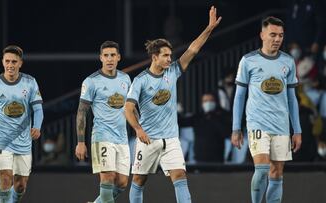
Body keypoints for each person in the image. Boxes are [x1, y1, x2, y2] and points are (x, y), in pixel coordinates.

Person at [125, 6, 221, 203]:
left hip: (171, 139)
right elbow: (128, 109)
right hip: (148, 140)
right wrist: (138, 129)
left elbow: (193, 49)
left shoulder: (172, 72)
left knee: (180, 176)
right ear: (154, 57)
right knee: (138, 180)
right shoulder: (141, 80)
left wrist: (209, 28)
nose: (170, 58)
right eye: (166, 55)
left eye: (170, 55)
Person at [231, 16, 302, 203]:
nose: (277, 39)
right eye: (273, 34)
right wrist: (236, 128)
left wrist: (298, 130)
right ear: (262, 35)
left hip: (281, 125)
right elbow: (239, 97)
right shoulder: (248, 61)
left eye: (280, 35)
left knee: (276, 173)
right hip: (257, 124)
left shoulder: (288, 62)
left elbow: (292, 99)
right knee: (262, 169)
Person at [0, 45, 44, 203]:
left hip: (23, 141)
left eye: (14, 62)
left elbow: (38, 109)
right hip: (2, 141)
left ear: (20, 63)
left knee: (20, 185)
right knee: (6, 178)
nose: (10, 65)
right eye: (7, 61)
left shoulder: (30, 82)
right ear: (2, 62)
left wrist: (37, 126)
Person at [75, 41, 131, 203]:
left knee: (121, 183)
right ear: (101, 58)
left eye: (113, 55)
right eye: (106, 55)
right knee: (107, 178)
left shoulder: (125, 79)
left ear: (118, 57)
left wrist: (140, 128)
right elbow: (81, 112)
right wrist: (80, 142)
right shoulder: (91, 81)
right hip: (102, 136)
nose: (109, 59)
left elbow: (130, 107)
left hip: (122, 138)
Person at [192, 92, 229, 163]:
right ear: (202, 103)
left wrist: (214, 117)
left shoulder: (223, 116)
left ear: (216, 102)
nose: (208, 103)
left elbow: (227, 133)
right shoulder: (198, 117)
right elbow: (182, 122)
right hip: (199, 158)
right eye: (205, 101)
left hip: (217, 158)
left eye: (211, 100)